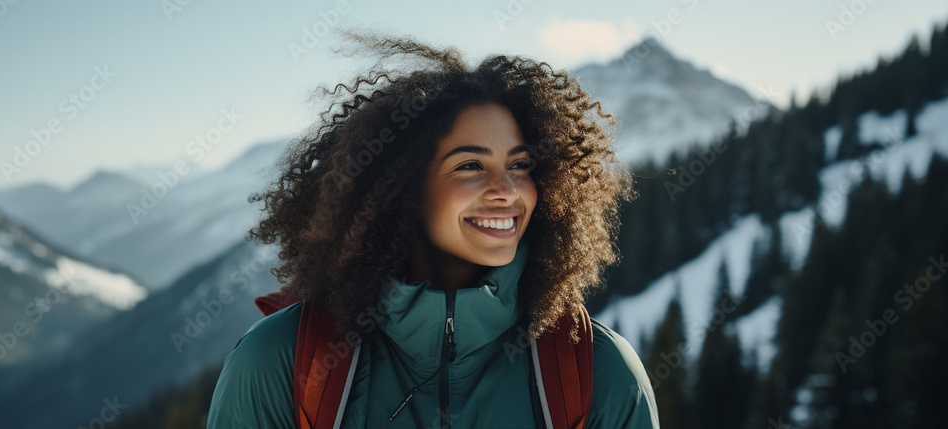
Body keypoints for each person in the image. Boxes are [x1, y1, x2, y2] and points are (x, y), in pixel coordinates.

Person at [206, 33, 658, 428]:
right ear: (402, 188)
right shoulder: (279, 363)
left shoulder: (599, 372)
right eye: (470, 165)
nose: (507, 190)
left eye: (519, 165)